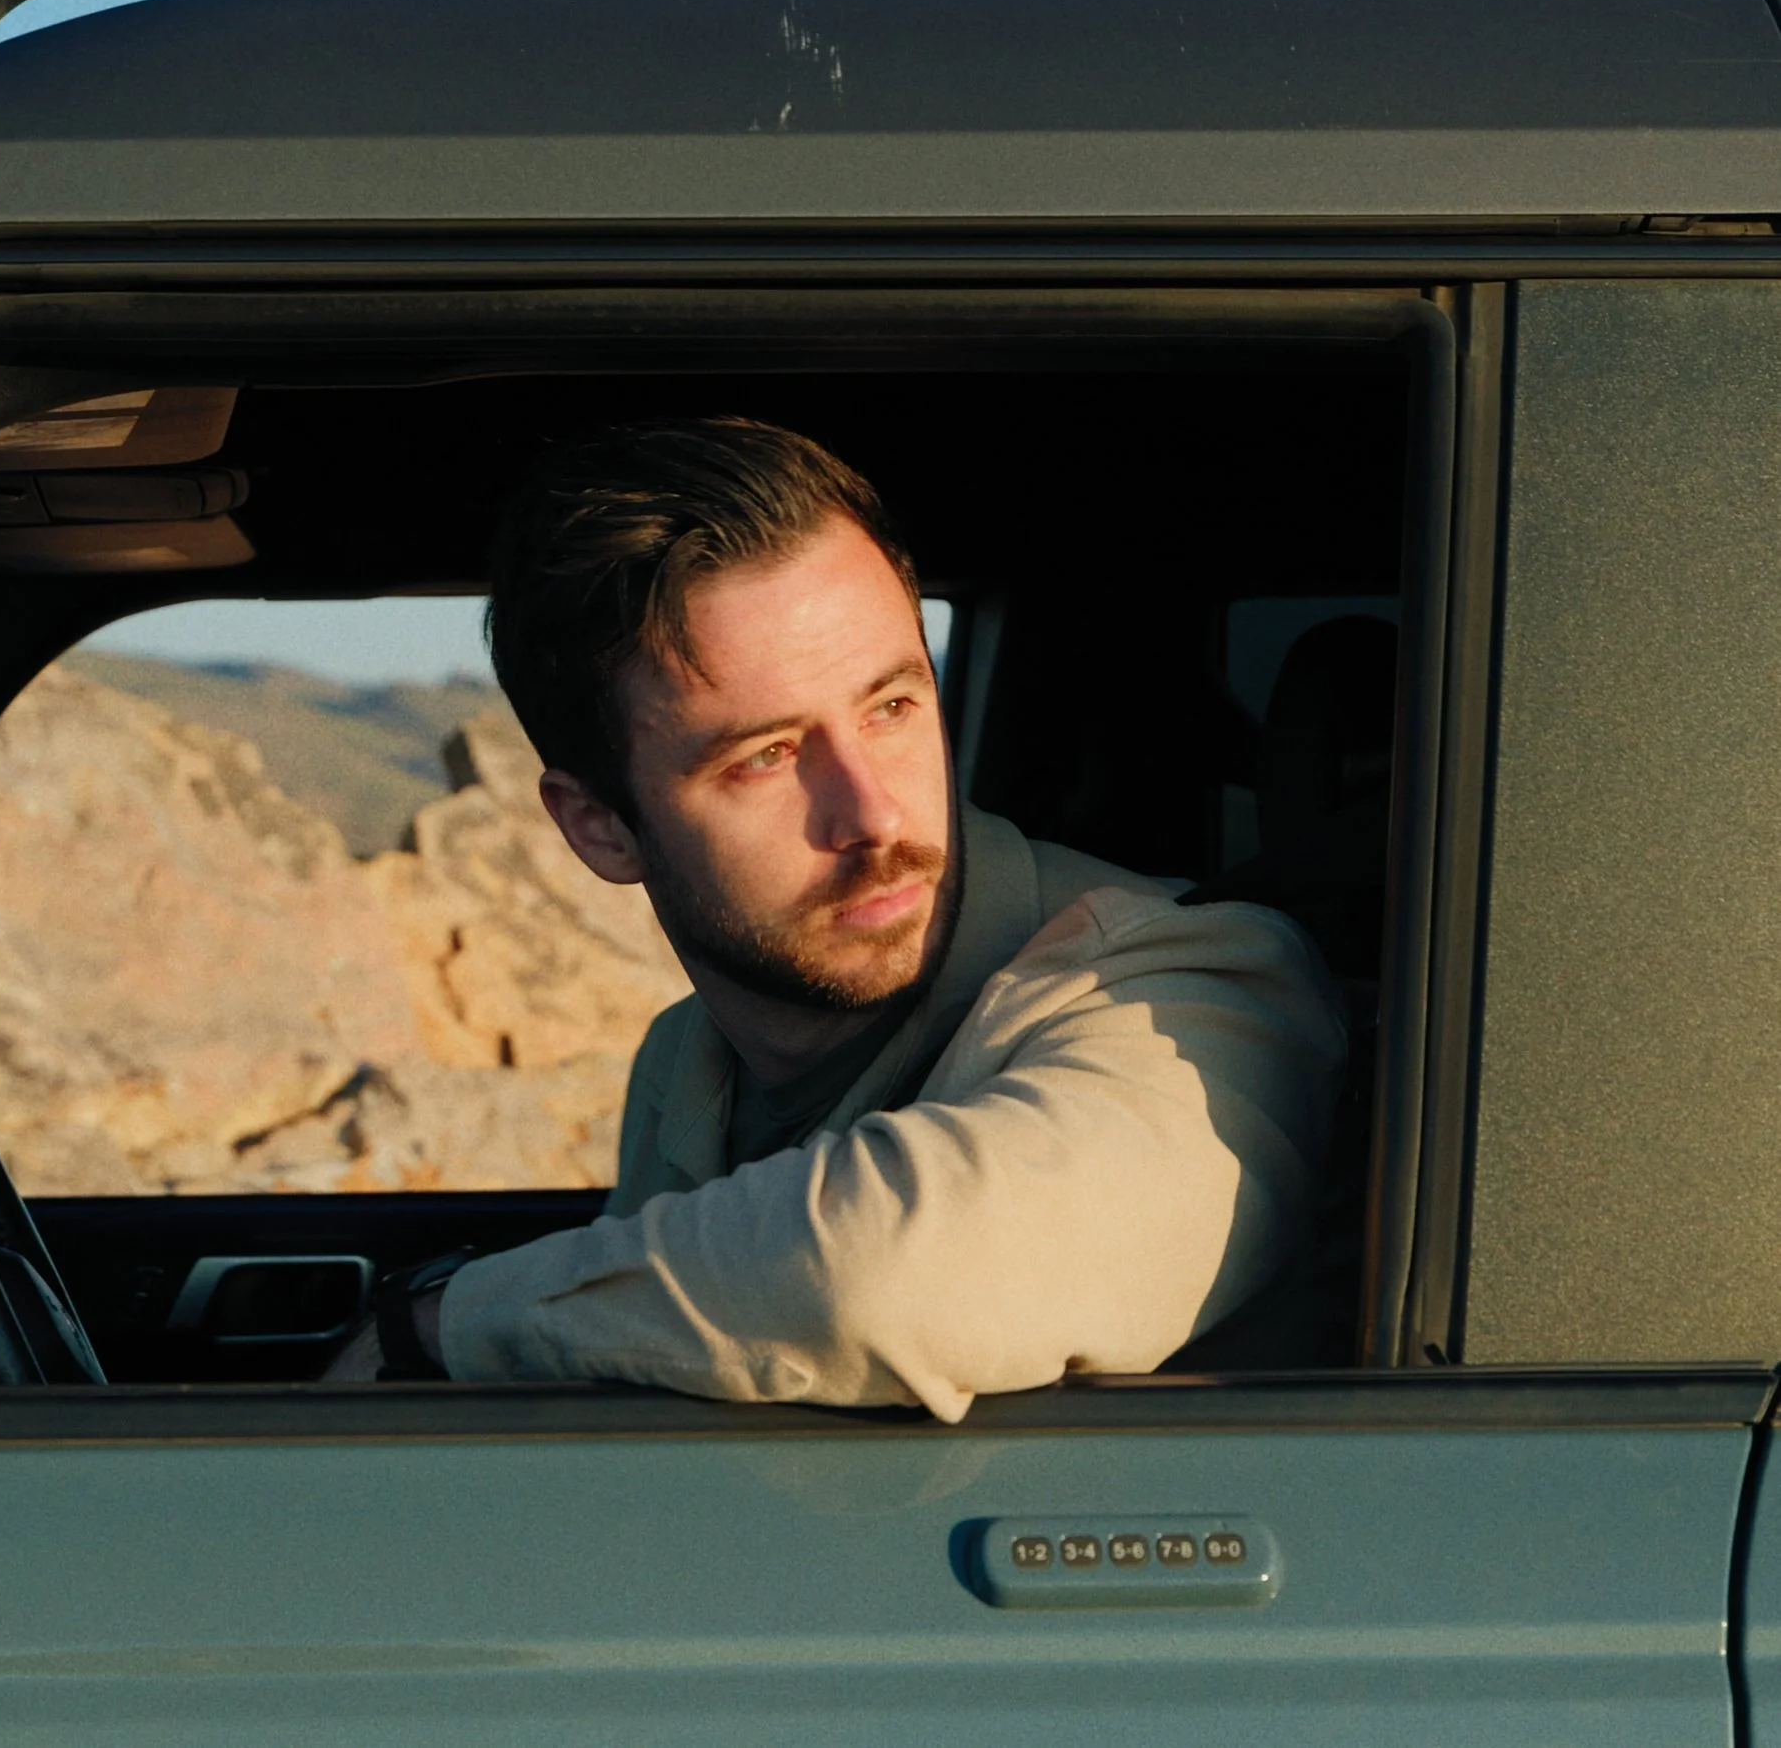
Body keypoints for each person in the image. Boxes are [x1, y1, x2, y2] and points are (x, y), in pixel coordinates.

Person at [327, 417, 1345, 1418]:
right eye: (765, 757)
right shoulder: (688, 1062)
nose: (873, 813)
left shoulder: (1192, 984)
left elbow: (881, 1276)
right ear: (601, 830)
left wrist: (441, 1323)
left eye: (892, 708)